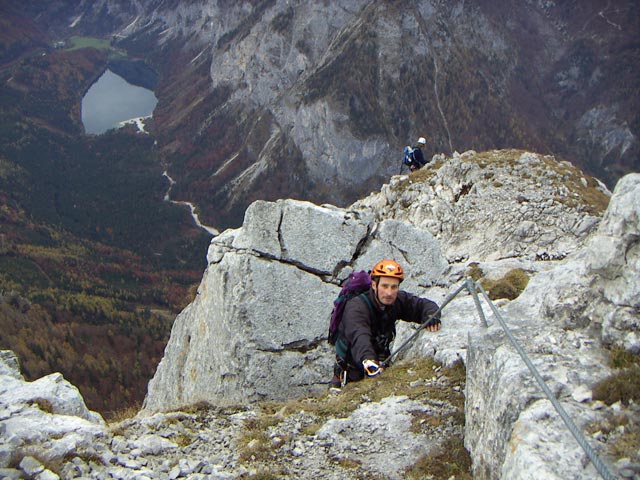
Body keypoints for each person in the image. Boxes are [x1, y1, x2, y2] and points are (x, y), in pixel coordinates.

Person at [330, 259, 441, 389]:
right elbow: (360, 337)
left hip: (379, 365)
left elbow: (422, 305)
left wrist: (431, 316)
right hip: (352, 374)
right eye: (384, 286)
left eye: (394, 287)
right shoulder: (356, 308)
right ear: (373, 285)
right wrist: (369, 360)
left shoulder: (396, 301)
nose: (389, 292)